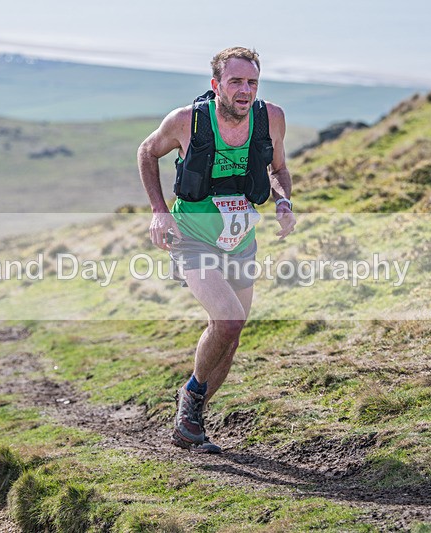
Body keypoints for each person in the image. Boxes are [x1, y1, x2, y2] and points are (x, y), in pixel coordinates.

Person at [137, 47, 296, 453]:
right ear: (216, 85)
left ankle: (190, 421)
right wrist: (159, 212)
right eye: (236, 81)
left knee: (232, 334)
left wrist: (283, 201)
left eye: (252, 82)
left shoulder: (271, 118)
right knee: (228, 319)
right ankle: (191, 396)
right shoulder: (186, 121)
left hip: (240, 240)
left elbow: (278, 170)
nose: (245, 90)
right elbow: (147, 151)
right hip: (192, 236)